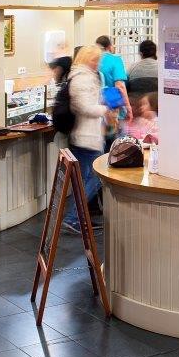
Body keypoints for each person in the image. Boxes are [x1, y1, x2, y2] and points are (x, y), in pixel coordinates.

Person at [63, 45, 111, 234]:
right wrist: (105, 109)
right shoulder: (82, 78)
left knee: (86, 180)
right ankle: (73, 218)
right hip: (86, 136)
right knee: (96, 177)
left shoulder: (83, 76)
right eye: (94, 59)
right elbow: (84, 107)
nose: (97, 63)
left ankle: (77, 218)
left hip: (89, 135)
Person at [95, 35, 131, 148]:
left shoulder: (93, 61)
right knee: (118, 147)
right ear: (110, 46)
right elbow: (120, 86)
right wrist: (128, 107)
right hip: (114, 110)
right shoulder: (115, 60)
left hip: (98, 110)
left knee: (102, 147)